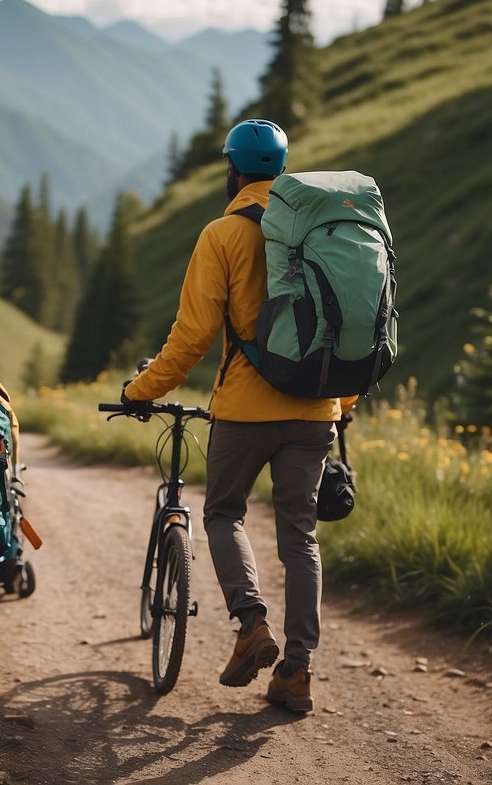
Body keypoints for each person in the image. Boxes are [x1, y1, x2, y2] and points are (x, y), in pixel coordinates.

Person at [122, 118, 355, 714]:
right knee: (300, 536)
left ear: (233, 170)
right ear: (280, 170)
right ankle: (297, 672)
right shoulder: (318, 229)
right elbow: (349, 328)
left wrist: (141, 391)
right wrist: (342, 405)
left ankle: (251, 623)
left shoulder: (222, 234)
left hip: (246, 410)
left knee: (225, 513)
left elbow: (193, 335)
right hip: (315, 413)